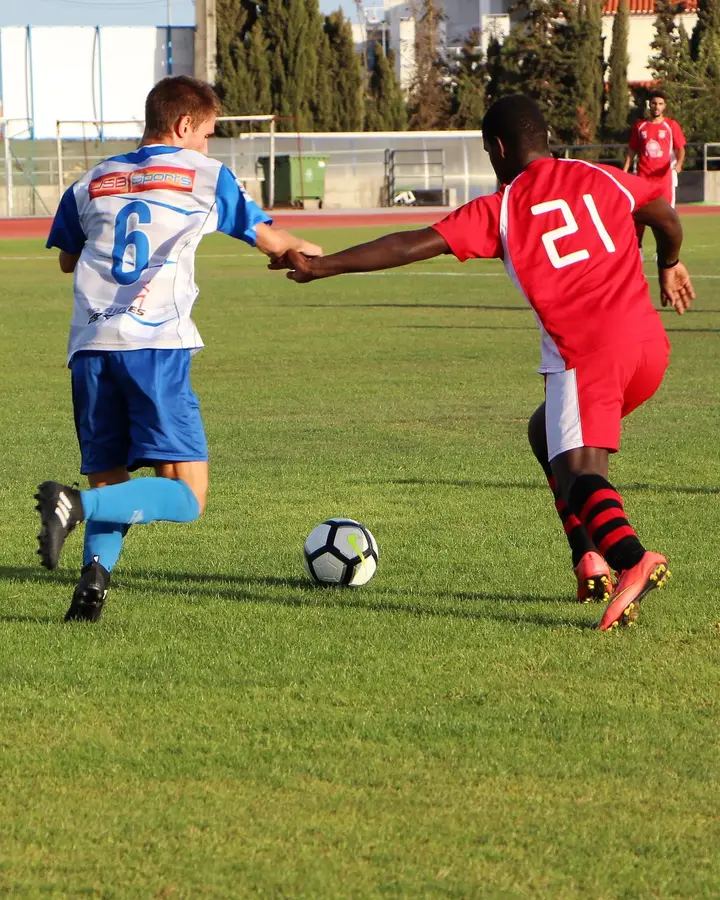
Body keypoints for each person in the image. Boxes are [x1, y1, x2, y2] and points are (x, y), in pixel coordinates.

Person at [271, 94, 695, 631]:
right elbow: (662, 212)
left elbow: (409, 245)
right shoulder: (603, 176)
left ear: (496, 149)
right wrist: (670, 262)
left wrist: (322, 266)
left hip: (586, 354)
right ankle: (587, 555)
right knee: (546, 433)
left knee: (579, 472)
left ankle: (632, 557)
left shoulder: (502, 208)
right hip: (649, 348)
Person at [37, 75, 322, 623]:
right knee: (187, 496)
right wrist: (312, 256)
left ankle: (92, 586)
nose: (209, 146)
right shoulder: (202, 174)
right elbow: (271, 239)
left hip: (90, 348)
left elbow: (67, 259)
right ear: (184, 124)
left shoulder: (94, 178)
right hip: (155, 346)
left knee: (111, 475)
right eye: (208, 133)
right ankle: (73, 506)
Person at [623, 90, 687, 254]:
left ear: (664, 106)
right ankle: (638, 249)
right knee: (639, 215)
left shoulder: (671, 126)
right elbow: (631, 150)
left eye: (660, 103)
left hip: (664, 180)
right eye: (653, 103)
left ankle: (664, 252)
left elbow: (680, 149)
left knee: (665, 218)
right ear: (649, 105)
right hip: (643, 179)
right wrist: (624, 171)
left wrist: (678, 165)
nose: (656, 106)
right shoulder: (640, 126)